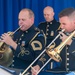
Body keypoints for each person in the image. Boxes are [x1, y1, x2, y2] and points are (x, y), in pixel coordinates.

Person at [31, 8, 75, 75]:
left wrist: (70, 43)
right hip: (62, 71)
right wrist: (39, 65)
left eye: (64, 24)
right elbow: (50, 52)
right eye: (60, 23)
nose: (61, 26)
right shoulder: (59, 33)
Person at [38, 6, 60, 72]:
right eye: (44, 15)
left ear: (53, 14)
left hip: (52, 52)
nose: (46, 16)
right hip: (41, 51)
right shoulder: (41, 25)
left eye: (48, 15)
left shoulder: (58, 25)